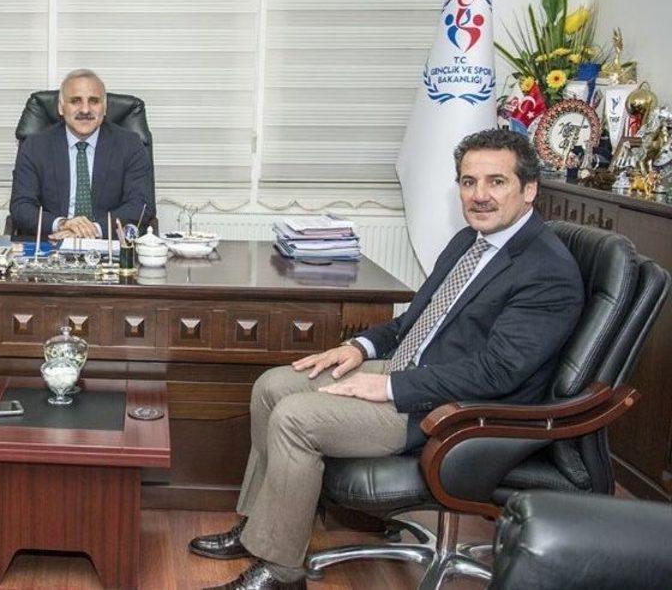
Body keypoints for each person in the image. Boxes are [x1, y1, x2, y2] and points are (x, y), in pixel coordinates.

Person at [188, 129, 584, 590]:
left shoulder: (546, 270)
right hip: (413, 372)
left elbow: (497, 372)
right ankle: (260, 528)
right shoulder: (470, 242)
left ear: (529, 189)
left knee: (295, 418)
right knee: (272, 386)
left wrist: (390, 387)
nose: (479, 195)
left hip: (451, 410)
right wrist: (359, 348)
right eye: (468, 181)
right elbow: (414, 322)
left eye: (496, 182)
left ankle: (280, 571)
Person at [9, 68, 154, 239]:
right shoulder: (35, 146)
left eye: (94, 101)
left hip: (107, 244)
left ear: (105, 108)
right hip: (52, 243)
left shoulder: (130, 145)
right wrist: (62, 224)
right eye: (75, 101)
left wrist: (93, 230)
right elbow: (21, 206)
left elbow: (140, 206)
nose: (85, 110)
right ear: (61, 107)